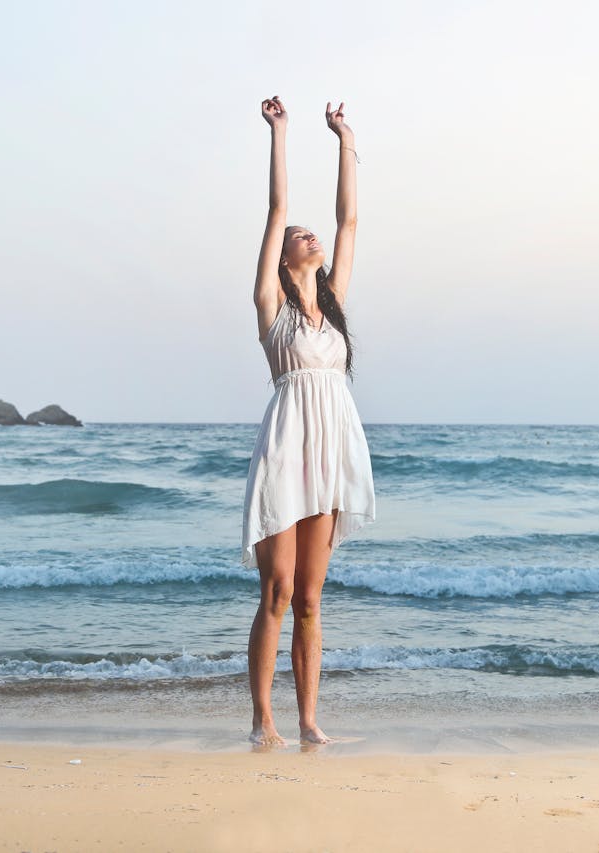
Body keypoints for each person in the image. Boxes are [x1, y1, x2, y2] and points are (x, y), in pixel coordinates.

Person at [242, 95, 376, 746]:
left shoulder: (334, 302)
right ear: (286, 254)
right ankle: (263, 717)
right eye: (301, 235)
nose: (310, 235)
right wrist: (282, 133)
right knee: (278, 588)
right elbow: (274, 210)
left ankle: (309, 719)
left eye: (309, 234)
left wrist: (345, 137)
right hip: (285, 447)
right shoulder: (272, 307)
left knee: (313, 600)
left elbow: (349, 220)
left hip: (330, 449)